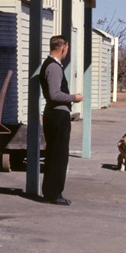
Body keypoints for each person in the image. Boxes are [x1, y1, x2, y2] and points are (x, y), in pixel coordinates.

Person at [39, 35, 83, 206]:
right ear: (63, 47)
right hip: (58, 115)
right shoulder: (54, 67)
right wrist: (74, 97)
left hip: (53, 114)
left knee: (54, 153)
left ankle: (51, 191)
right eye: (67, 48)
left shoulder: (49, 65)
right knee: (59, 155)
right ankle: (54, 192)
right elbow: (54, 94)